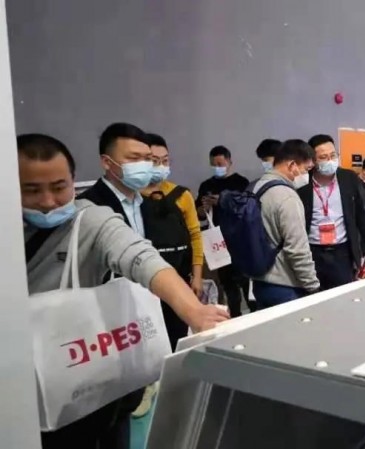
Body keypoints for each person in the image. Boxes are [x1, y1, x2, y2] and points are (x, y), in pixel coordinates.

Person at [20, 133, 228, 449]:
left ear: (73, 181)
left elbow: (142, 258)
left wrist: (194, 310)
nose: (48, 201)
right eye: (32, 190)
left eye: (59, 187)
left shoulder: (91, 218)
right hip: (21, 380)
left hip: (83, 369)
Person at [140, 133, 204, 350]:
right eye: (154, 161)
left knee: (178, 335)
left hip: (180, 278)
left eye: (165, 161)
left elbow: (195, 235)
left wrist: (197, 276)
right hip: (145, 285)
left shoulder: (181, 195)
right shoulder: (132, 197)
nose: (160, 166)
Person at [299, 134, 365, 290]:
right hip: (312, 251)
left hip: (342, 251)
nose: (330, 160)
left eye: (333, 155)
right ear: (313, 160)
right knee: (313, 296)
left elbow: (361, 214)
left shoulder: (348, 178)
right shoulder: (303, 182)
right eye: (323, 157)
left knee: (342, 294)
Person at [250, 140, 320, 308]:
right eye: (306, 169)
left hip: (259, 281)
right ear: (292, 165)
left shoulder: (257, 187)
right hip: (285, 285)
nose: (307, 175)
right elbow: (297, 249)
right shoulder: (287, 197)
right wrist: (313, 286)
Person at [197, 146, 251, 317]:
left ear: (229, 162)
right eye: (213, 164)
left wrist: (222, 201)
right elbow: (198, 214)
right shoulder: (206, 185)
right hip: (218, 242)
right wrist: (204, 208)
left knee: (247, 281)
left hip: (240, 240)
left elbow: (248, 209)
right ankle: (235, 315)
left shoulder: (241, 182)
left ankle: (254, 311)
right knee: (227, 284)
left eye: (220, 164)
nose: (217, 167)